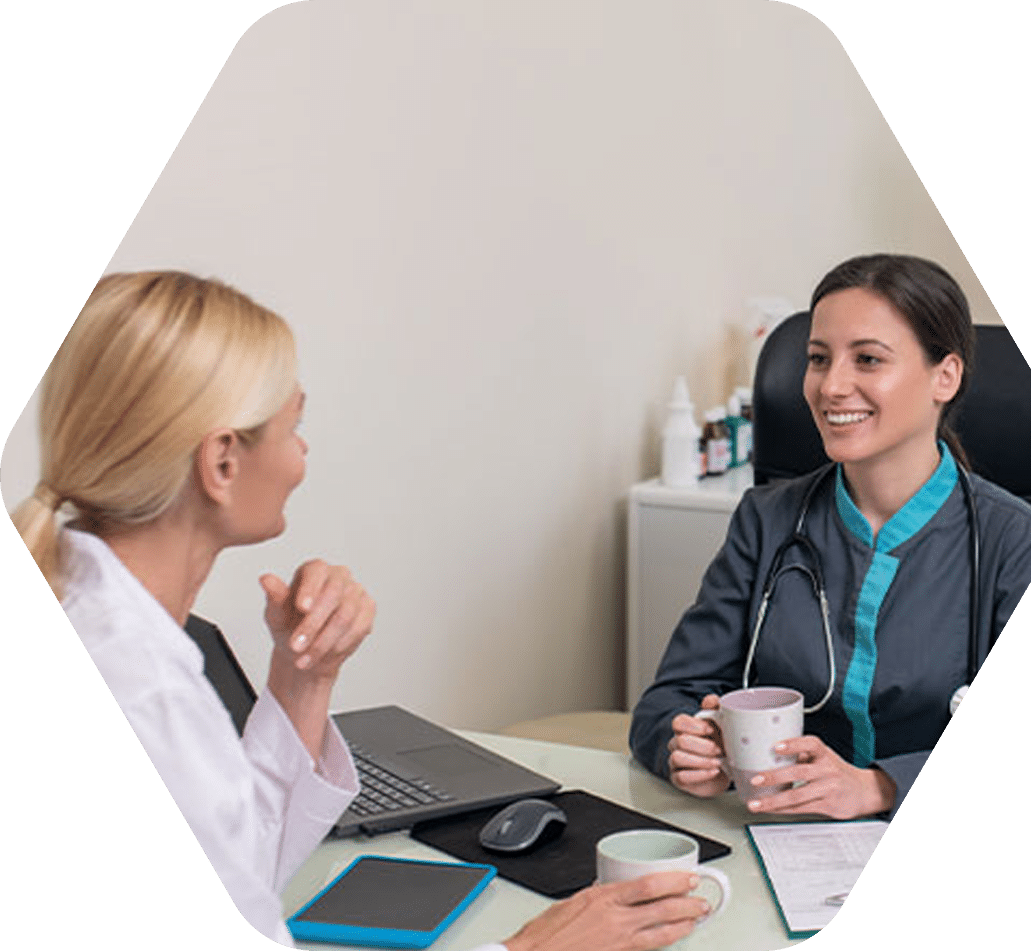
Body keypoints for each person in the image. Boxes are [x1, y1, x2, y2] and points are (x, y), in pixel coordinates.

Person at [13, 271, 708, 950]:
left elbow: (234, 866)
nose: (303, 452)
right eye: (295, 423)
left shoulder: (105, 622)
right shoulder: (138, 689)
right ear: (222, 460)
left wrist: (304, 673)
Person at [629, 253, 1031, 822]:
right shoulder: (767, 520)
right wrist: (684, 747)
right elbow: (667, 699)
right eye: (818, 359)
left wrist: (882, 787)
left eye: (868, 359)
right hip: (773, 836)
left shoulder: (1021, 546)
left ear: (945, 376)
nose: (831, 386)